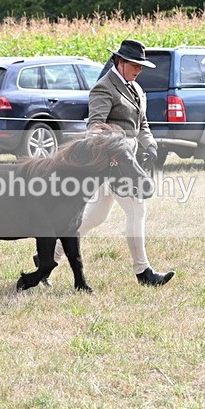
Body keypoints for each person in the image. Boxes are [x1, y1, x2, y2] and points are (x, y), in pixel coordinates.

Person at [51, 39, 175, 286]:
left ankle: (48, 256)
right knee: (137, 208)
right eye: (135, 65)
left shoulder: (136, 89)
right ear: (120, 61)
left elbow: (143, 125)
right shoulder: (103, 88)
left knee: (95, 217)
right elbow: (95, 127)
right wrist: (117, 150)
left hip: (129, 160)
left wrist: (150, 144)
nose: (139, 70)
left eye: (141, 65)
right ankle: (144, 273)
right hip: (113, 163)